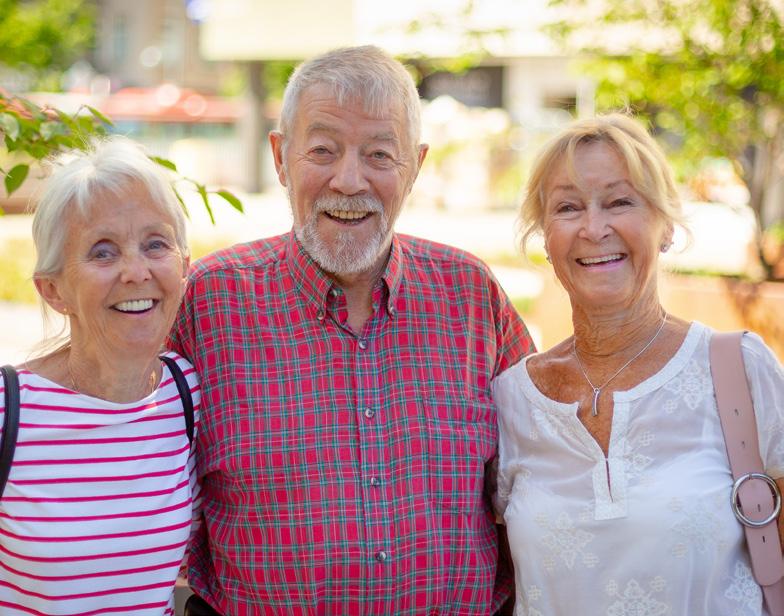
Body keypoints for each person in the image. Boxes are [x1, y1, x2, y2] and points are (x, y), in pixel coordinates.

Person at [169, 45, 535, 615]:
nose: (348, 180)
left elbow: (540, 474)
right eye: (323, 150)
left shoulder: (471, 295)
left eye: (379, 154)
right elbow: (139, 477)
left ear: (413, 166)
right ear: (281, 157)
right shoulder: (207, 302)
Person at [493, 113, 784, 615]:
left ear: (666, 226)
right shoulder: (511, 401)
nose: (593, 227)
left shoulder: (737, 371)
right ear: (545, 237)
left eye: (620, 201)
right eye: (567, 207)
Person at [0, 136, 201, 615]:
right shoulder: (9, 410)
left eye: (156, 244)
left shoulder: (186, 392)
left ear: (184, 267)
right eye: (103, 252)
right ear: (53, 290)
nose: (136, 271)